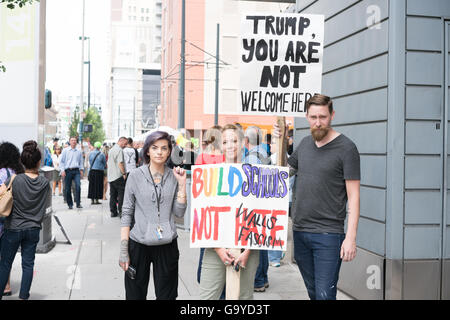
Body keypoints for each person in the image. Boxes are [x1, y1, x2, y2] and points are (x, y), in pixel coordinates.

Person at [274, 94, 361, 300]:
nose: (318, 122)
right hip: (300, 232)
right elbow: (281, 174)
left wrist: (351, 238)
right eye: (313, 117)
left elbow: (354, 197)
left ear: (332, 115)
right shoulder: (304, 144)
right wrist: (281, 140)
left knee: (324, 295)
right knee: (314, 294)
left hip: (329, 235)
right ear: (306, 116)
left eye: (323, 116)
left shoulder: (347, 148)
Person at [119, 131, 187, 300]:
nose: (159, 152)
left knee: (167, 296)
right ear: (147, 150)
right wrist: (123, 250)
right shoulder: (135, 176)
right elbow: (126, 212)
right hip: (139, 244)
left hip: (167, 244)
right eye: (155, 147)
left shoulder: (174, 176)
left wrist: (182, 185)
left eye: (164, 148)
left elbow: (179, 213)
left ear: (169, 152)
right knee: (135, 295)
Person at [199, 124, 259, 300]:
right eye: (225, 141)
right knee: (206, 297)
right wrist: (218, 249)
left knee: (244, 298)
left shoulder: (256, 176)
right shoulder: (209, 175)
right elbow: (203, 214)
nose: (231, 145)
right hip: (215, 246)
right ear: (220, 145)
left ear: (243, 143)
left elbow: (261, 216)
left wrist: (247, 250)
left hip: (249, 248)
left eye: (235, 140)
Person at [0, 140, 50, 300]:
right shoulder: (44, 183)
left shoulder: (15, 180)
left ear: (22, 161)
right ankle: (23, 296)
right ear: (38, 162)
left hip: (13, 228)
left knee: (5, 264)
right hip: (33, 228)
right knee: (28, 264)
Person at [194, 125, 225, 287]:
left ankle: (203, 277)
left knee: (205, 247)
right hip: (224, 209)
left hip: (206, 209)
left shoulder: (202, 158)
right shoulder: (226, 157)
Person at [241, 126, 270, 293]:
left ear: (246, 140)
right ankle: (263, 279)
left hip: (254, 204)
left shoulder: (251, 157)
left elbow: (251, 183)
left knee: (255, 242)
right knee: (262, 241)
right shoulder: (264, 153)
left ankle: (258, 280)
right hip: (264, 203)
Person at [0, 142, 25, 297]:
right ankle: (7, 285)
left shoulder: (1, 173)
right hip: (14, 220)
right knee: (6, 257)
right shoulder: (19, 173)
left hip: (0, 219)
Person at [59, 137, 84, 209]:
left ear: (76, 142)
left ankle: (78, 203)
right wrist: (62, 170)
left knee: (78, 186)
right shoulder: (65, 150)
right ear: (69, 142)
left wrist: (81, 170)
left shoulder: (79, 151)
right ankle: (70, 204)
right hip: (68, 171)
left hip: (76, 171)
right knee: (67, 188)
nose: (73, 142)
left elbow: (81, 162)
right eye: (72, 140)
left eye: (75, 140)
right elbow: (62, 162)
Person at [107, 137, 128, 218]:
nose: (125, 145)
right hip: (118, 176)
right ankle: (121, 212)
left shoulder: (111, 149)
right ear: (120, 141)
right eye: (125, 143)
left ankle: (113, 212)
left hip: (111, 176)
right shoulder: (119, 150)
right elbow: (120, 163)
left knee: (113, 195)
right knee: (121, 195)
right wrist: (124, 173)